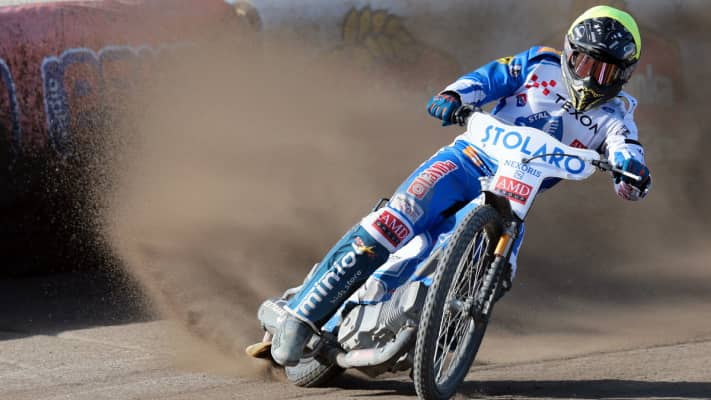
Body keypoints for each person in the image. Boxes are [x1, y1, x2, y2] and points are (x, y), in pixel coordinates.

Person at [270, 5, 652, 366]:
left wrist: (631, 172)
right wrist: (454, 95)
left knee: (498, 274)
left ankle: (432, 335)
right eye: (586, 63)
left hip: (513, 196)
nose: (592, 77)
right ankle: (301, 316)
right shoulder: (539, 63)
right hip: (466, 161)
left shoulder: (618, 114)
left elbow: (627, 155)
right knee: (394, 222)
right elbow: (489, 78)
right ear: (569, 52)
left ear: (624, 74)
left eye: (606, 71)